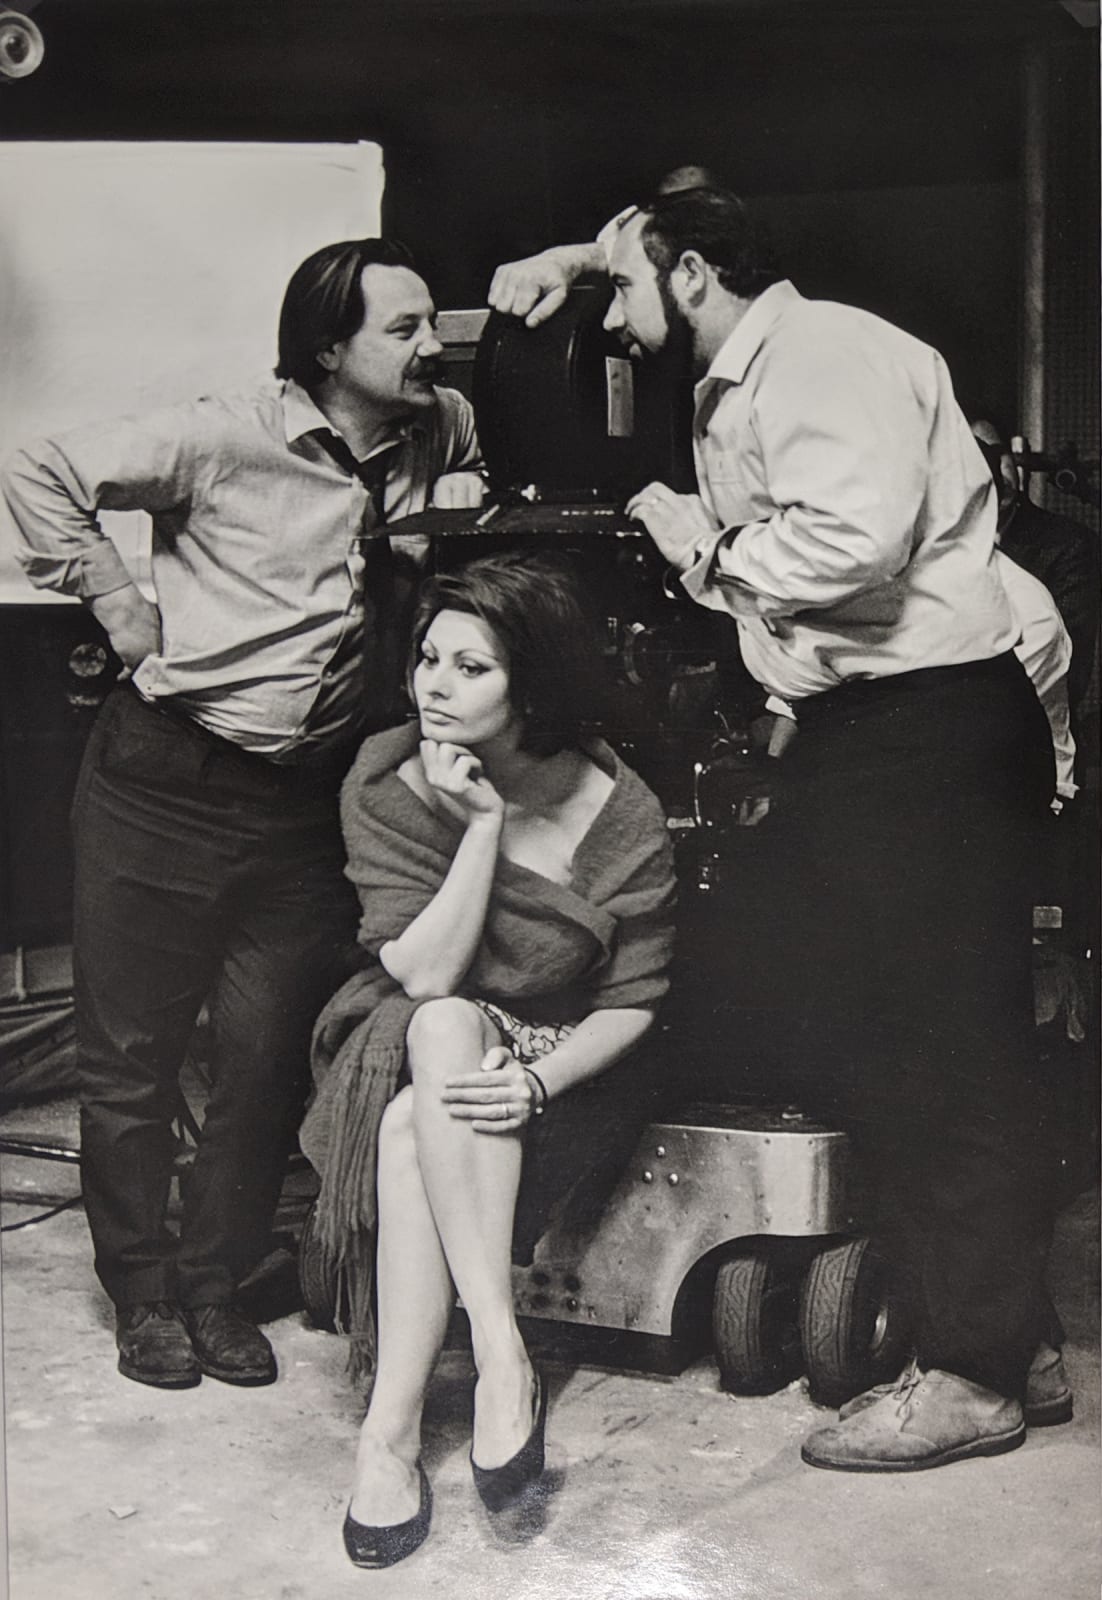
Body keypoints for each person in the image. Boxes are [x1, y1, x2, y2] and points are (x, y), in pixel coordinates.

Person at [495, 186, 1060, 1472]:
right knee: (915, 1033)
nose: (616, 327)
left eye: (626, 294)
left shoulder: (821, 354)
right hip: (890, 732)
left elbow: (848, 546)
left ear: (693, 274)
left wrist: (698, 548)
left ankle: (973, 1374)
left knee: (936, 1047)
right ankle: (1003, 1330)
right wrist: (577, 254)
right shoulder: (769, 353)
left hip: (923, 731)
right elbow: (646, 258)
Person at [0, 237, 485, 1391]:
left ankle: (216, 1286)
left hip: (305, 798)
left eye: (432, 325)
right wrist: (115, 597)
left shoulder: (442, 428)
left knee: (267, 1055)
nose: (432, 347)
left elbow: (449, 510)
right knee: (133, 1058)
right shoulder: (225, 436)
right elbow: (37, 468)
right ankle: (144, 1293)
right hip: (164, 780)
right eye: (404, 329)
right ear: (327, 349)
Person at [298, 549, 676, 1567]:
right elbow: (423, 975)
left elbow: (636, 1001)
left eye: (472, 667)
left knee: (409, 1123)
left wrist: (541, 1077)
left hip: (575, 1056)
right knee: (437, 1027)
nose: (434, 684)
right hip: (435, 1030)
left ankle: (391, 1436)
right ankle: (501, 1353)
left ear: (534, 685)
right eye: (428, 657)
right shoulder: (386, 776)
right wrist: (483, 828)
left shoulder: (616, 805)